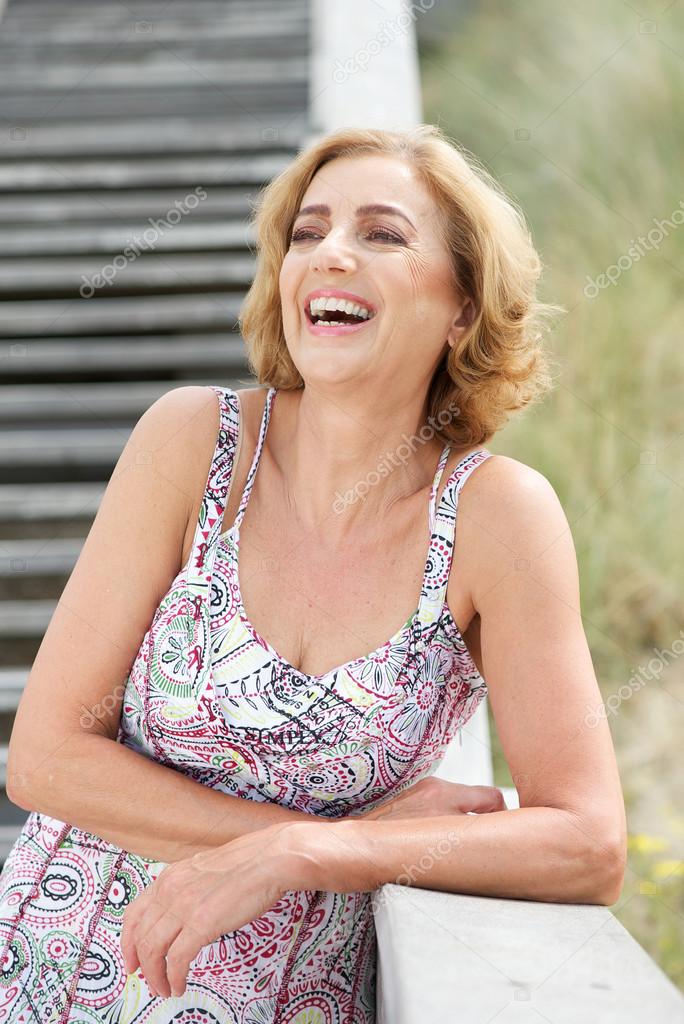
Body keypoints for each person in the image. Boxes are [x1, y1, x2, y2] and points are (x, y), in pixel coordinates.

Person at [0, 124, 626, 1022]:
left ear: (462, 307)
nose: (330, 252)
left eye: (382, 233)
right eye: (308, 232)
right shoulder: (193, 443)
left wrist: (315, 856)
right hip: (52, 976)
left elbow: (589, 844)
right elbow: (45, 759)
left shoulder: (497, 519)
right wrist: (316, 840)